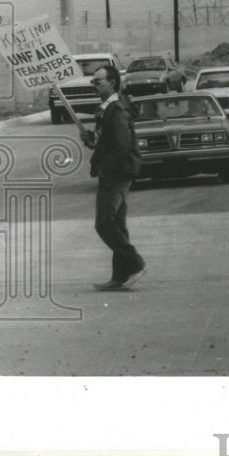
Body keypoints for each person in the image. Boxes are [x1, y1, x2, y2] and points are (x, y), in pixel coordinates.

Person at [80, 64, 146, 292]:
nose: (94, 85)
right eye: (93, 81)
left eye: (98, 81)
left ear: (113, 83)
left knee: (104, 223)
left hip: (116, 173)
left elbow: (120, 146)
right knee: (117, 223)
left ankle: (135, 263)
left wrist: (104, 166)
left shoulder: (116, 110)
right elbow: (106, 142)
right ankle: (120, 276)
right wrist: (91, 141)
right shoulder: (107, 107)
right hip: (115, 170)